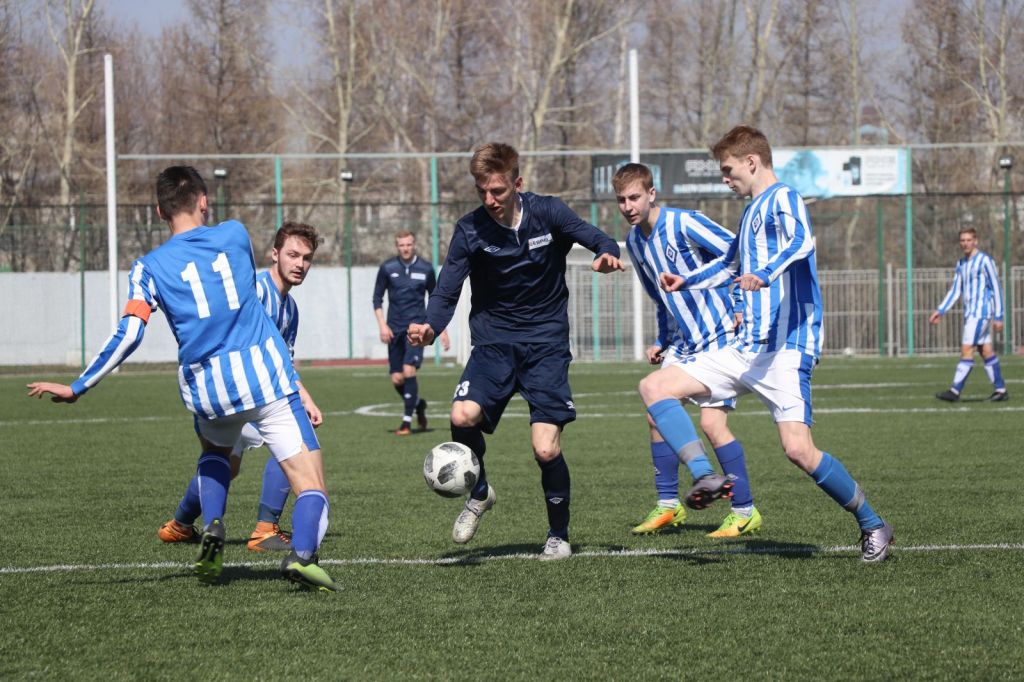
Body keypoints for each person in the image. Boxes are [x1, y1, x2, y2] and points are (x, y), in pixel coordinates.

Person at [27, 167, 338, 590]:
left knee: (216, 451)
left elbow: (131, 332)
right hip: (263, 378)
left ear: (158, 211)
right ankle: (302, 556)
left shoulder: (147, 268)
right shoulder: (235, 235)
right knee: (311, 484)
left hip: (206, 387)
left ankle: (211, 523)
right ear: (204, 202)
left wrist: (79, 385)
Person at [655, 126, 893, 562]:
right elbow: (728, 267)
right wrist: (685, 280)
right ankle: (707, 477)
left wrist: (767, 273)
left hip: (786, 348)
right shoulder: (748, 214)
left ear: (752, 162)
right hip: (746, 348)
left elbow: (802, 242)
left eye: (728, 170)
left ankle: (873, 523)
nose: (725, 179)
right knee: (655, 387)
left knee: (799, 450)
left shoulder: (783, 197)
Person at [407, 142, 624, 560]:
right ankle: (481, 490)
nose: (489, 200)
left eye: (498, 191)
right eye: (482, 191)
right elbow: (447, 290)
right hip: (493, 345)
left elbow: (598, 237)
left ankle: (558, 535)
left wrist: (606, 253)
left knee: (545, 448)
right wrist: (430, 327)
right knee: (461, 415)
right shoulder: (469, 230)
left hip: (546, 345)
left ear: (517, 184)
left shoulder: (548, 212)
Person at [158, 221, 325, 554]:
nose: (299, 264)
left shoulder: (290, 309)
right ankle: (265, 529)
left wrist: (305, 397)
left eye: (306, 258)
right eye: (292, 255)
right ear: (274, 254)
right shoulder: (256, 291)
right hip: (236, 390)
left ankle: (179, 524)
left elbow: (284, 361)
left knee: (227, 467)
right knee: (290, 449)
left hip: (258, 390)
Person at [615, 163, 760, 538]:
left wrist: (743, 308)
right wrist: (663, 340)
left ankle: (744, 511)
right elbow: (659, 298)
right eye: (621, 200)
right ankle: (668, 506)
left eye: (634, 197)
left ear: (652, 194)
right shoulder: (634, 242)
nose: (628, 206)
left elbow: (737, 254)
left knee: (712, 425)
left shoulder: (685, 223)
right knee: (656, 414)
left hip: (719, 336)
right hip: (684, 343)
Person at [373, 230, 450, 435]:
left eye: (408, 244)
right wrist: (382, 325)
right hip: (394, 329)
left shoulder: (425, 269)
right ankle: (418, 404)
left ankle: (406, 422)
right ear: (397, 246)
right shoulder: (387, 268)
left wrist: (440, 330)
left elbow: (436, 299)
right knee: (397, 379)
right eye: (401, 245)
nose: (405, 248)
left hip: (416, 330)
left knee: (409, 371)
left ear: (414, 244)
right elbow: (377, 299)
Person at [929, 227, 1008, 402]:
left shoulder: (985, 261)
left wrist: (999, 316)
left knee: (966, 349)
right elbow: (956, 290)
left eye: (968, 240)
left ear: (975, 241)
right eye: (962, 240)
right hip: (971, 313)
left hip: (981, 313)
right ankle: (1001, 390)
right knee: (985, 351)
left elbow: (996, 287)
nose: (965, 243)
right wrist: (940, 310)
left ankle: (955, 391)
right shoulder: (961, 264)